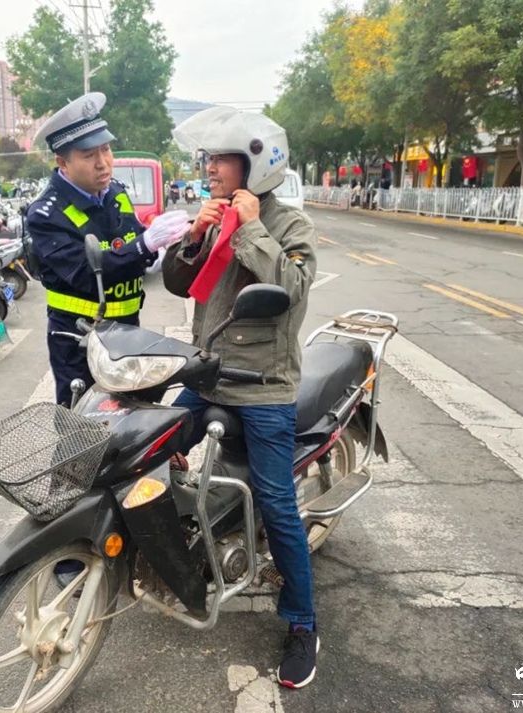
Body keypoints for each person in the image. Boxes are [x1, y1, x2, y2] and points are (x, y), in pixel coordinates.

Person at [162, 106, 320, 689]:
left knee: (277, 503)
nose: (209, 169)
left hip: (263, 387)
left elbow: (293, 289)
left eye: (220, 160)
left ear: (255, 165)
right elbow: (179, 284)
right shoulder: (213, 217)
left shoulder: (290, 225)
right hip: (208, 374)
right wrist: (193, 238)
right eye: (207, 159)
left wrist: (250, 227)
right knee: (143, 446)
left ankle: (303, 622)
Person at [26, 91, 190, 406]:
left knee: (131, 418)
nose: (103, 163)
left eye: (106, 149)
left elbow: (131, 243)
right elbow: (87, 273)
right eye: (89, 155)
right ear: (63, 162)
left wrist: (159, 251)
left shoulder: (115, 192)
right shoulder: (46, 214)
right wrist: (144, 245)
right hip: (79, 340)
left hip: (127, 332)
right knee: (80, 423)